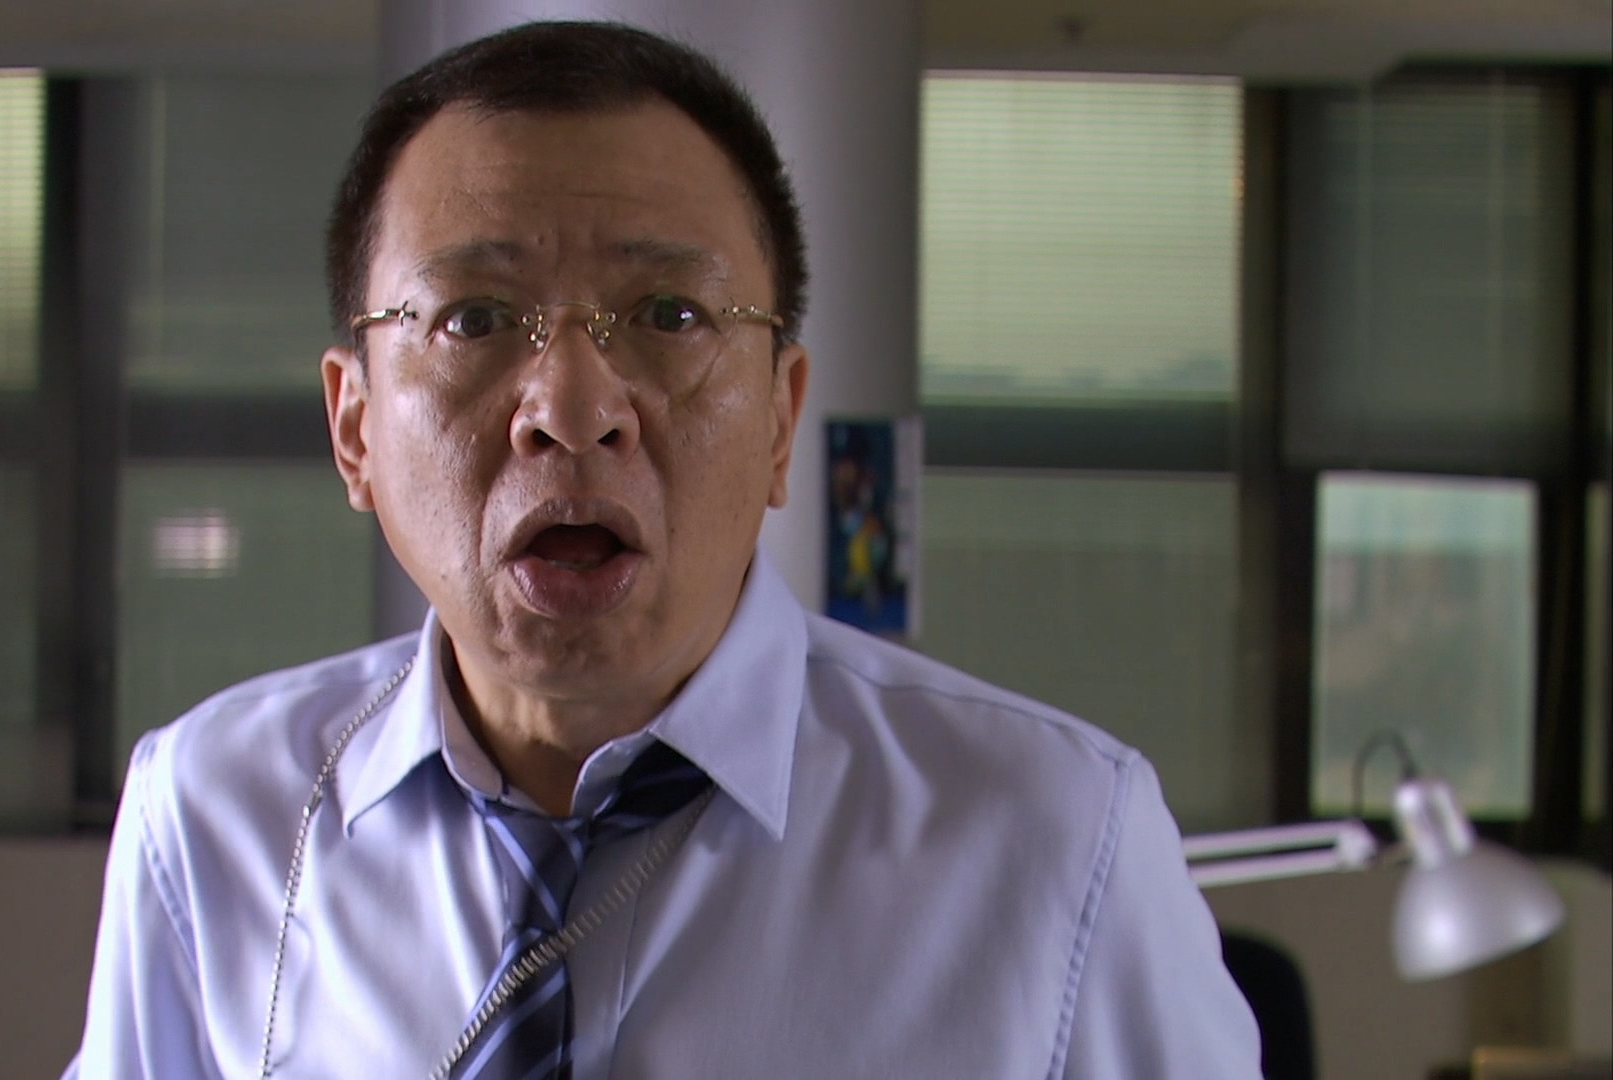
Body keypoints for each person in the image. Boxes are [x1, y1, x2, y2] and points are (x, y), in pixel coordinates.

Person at [65, 20, 1262, 1079]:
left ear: (782, 419)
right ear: (356, 427)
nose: (572, 407)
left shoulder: (1054, 842)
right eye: (475, 318)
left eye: (670, 316)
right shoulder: (216, 818)